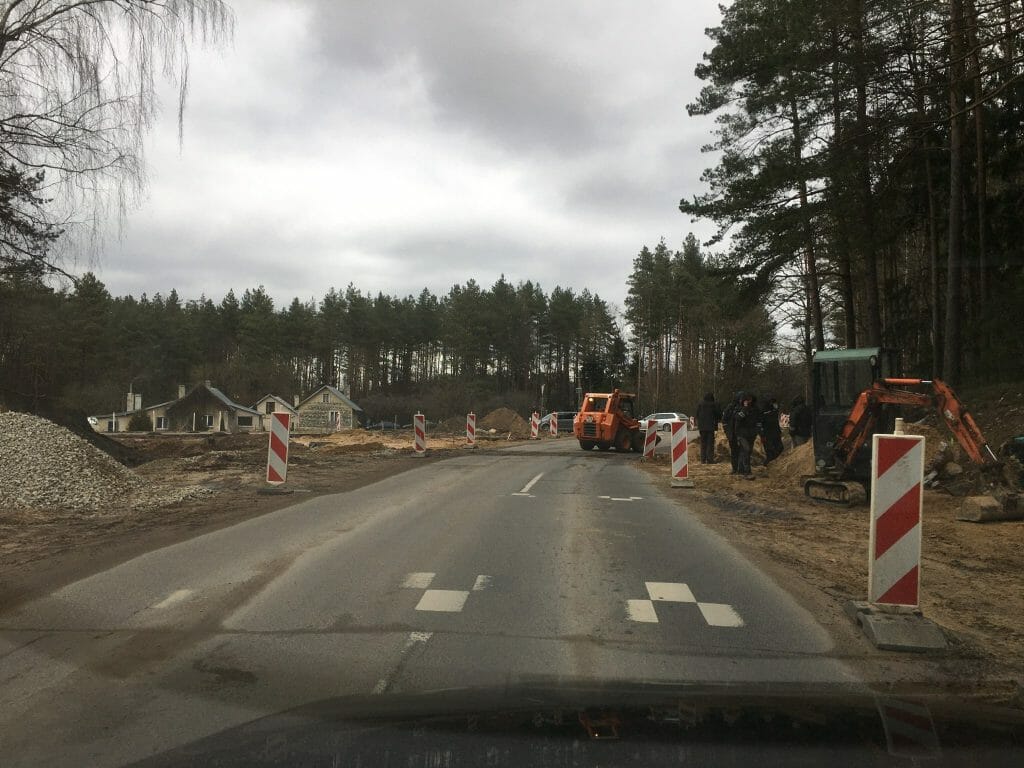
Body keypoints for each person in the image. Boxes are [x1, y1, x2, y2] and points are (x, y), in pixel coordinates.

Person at [734, 392, 760, 479]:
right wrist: (745, 409)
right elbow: (738, 419)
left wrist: (757, 430)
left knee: (745, 451)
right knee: (746, 450)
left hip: (751, 434)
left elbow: (758, 420)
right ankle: (747, 471)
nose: (748, 401)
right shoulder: (740, 409)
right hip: (742, 434)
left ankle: (740, 469)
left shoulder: (755, 409)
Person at [695, 392, 721, 464]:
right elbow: (718, 415)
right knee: (710, 443)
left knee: (703, 443)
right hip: (711, 427)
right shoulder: (713, 404)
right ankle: (710, 459)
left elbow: (697, 414)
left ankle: (703, 459)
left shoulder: (700, 404)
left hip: (702, 427)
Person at [760, 395, 784, 464]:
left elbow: (776, 422)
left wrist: (779, 431)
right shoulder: (763, 412)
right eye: (773, 403)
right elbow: (760, 423)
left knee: (780, 448)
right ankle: (768, 463)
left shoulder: (774, 411)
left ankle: (773, 462)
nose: (774, 404)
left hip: (776, 433)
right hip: (767, 434)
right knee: (770, 451)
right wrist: (762, 434)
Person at [722, 392, 741, 473]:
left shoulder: (743, 407)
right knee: (734, 451)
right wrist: (727, 430)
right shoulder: (731, 407)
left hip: (739, 433)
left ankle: (740, 468)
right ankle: (735, 468)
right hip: (733, 433)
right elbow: (724, 419)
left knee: (741, 451)